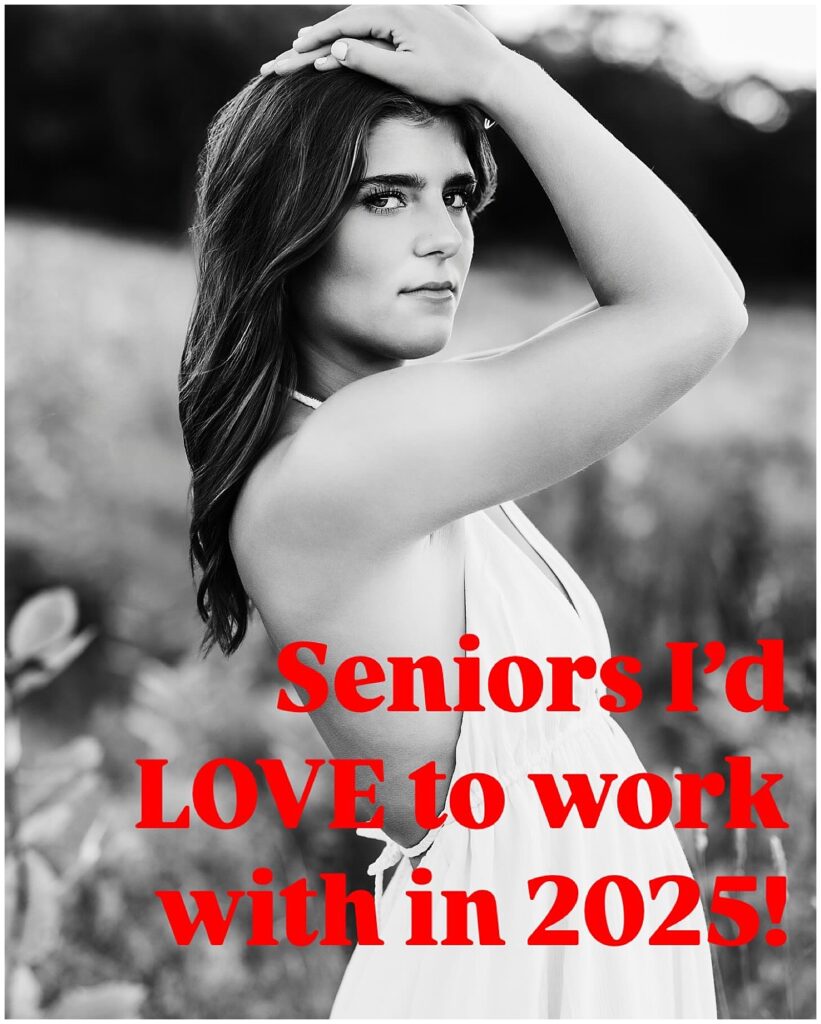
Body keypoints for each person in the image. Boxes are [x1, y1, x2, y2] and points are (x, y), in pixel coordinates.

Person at [179, 6, 747, 1017]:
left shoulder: (364, 447)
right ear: (284, 224)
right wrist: (501, 75)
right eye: (385, 198)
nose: (443, 237)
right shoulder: (351, 456)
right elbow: (692, 306)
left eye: (455, 195)